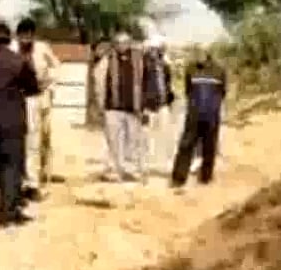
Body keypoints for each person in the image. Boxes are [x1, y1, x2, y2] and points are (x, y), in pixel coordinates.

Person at [0, 20, 40, 226]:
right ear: (9, 37)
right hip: (12, 117)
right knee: (13, 165)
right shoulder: (17, 61)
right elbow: (33, 87)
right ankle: (9, 212)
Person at [91, 31, 147, 182]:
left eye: (125, 42)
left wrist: (143, 104)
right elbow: (99, 81)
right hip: (112, 107)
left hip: (133, 107)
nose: (122, 46)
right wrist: (100, 104)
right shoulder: (107, 59)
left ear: (129, 43)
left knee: (133, 141)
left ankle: (131, 170)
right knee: (113, 141)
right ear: (114, 45)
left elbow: (145, 81)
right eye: (118, 43)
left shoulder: (139, 59)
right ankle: (114, 171)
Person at [15, 17, 60, 196]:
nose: (25, 40)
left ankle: (37, 178)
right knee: (22, 140)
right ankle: (24, 179)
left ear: (33, 36)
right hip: (18, 98)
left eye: (29, 36)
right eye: (22, 36)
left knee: (38, 140)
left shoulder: (42, 48)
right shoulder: (12, 49)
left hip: (39, 98)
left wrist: (49, 85)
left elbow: (56, 67)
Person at [172, 51, 229, 188]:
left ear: (208, 57)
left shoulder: (219, 70)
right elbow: (188, 90)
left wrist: (213, 105)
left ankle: (206, 177)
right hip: (194, 115)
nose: (199, 58)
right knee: (186, 145)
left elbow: (222, 92)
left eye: (202, 55)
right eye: (198, 55)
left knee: (209, 146)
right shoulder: (191, 69)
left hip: (211, 115)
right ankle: (179, 178)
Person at [143, 34, 175, 167]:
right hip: (148, 104)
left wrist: (169, 98)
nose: (160, 50)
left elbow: (167, 83)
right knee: (146, 134)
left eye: (162, 48)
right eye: (159, 48)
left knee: (166, 133)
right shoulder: (144, 64)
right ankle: (145, 161)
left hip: (163, 103)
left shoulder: (164, 64)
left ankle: (167, 161)